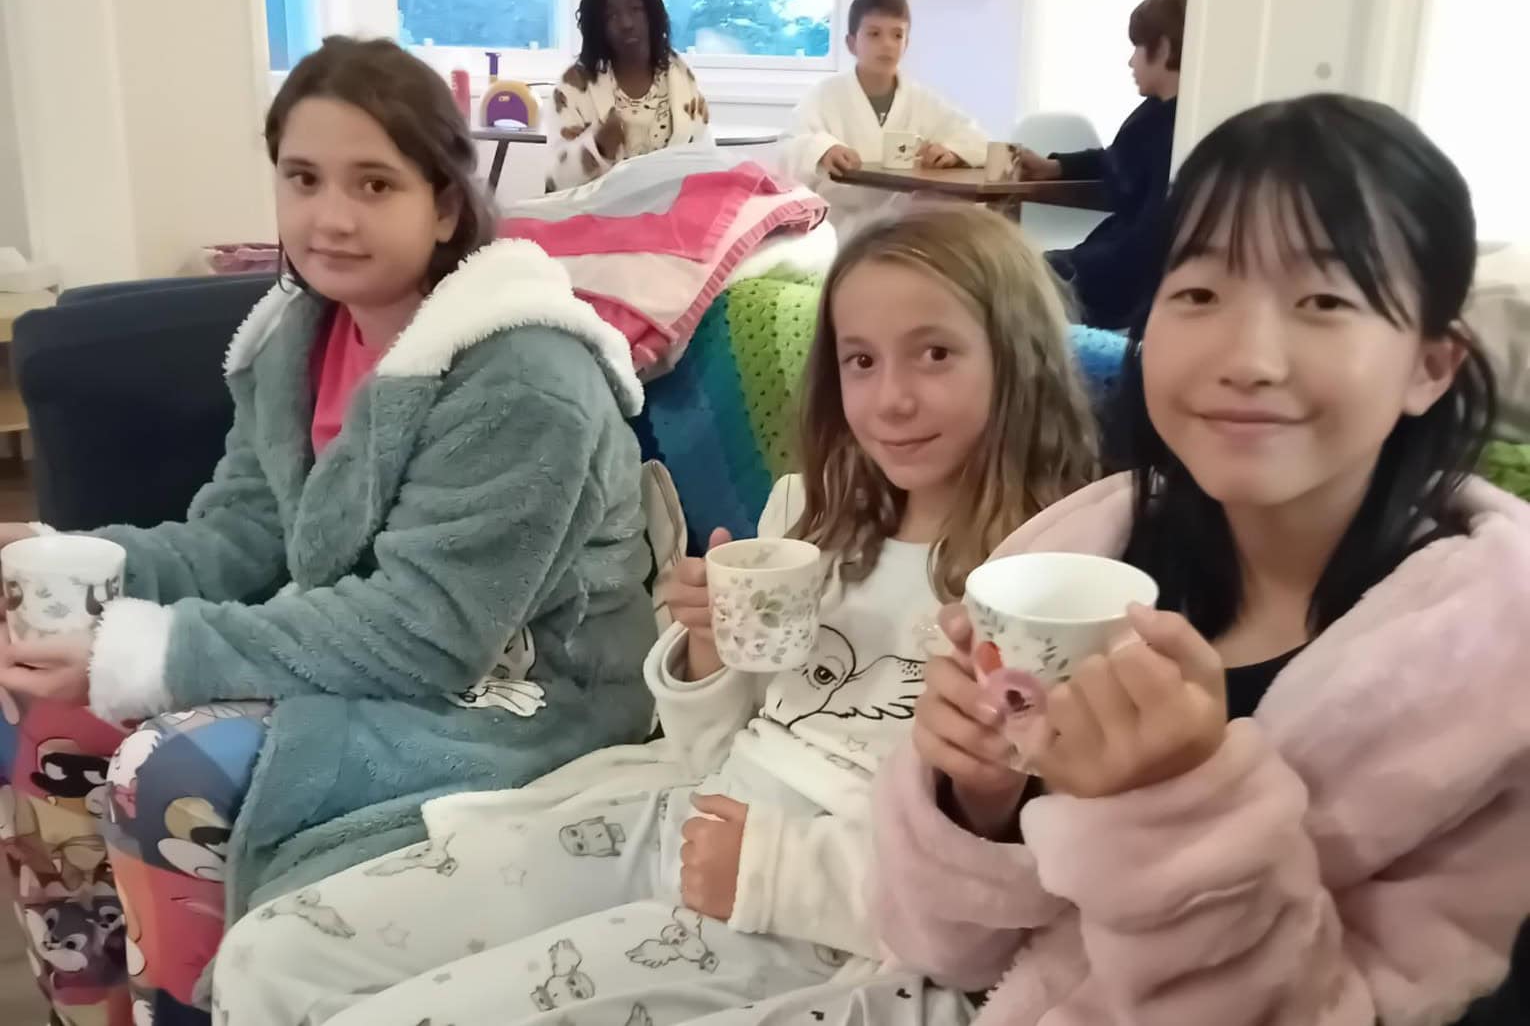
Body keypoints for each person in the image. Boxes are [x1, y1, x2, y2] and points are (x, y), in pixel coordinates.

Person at [209, 203, 1100, 1026]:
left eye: (935, 354)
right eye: (861, 360)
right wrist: (710, 658)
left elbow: (1024, 876)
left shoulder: (1057, 593)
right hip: (681, 817)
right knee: (270, 957)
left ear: (1015, 360)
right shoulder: (811, 519)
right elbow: (711, 748)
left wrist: (768, 871)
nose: (891, 399)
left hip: (816, 911)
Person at [0, 36, 656, 1025]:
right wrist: (84, 569)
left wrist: (157, 649)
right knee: (34, 708)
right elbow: (240, 536)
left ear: (443, 204)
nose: (330, 217)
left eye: (374, 183)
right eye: (302, 178)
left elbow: (426, 630)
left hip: (523, 696)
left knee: (167, 768)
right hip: (357, 646)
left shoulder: (527, 377)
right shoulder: (293, 339)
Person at [872, 94, 1530, 1025]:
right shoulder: (1081, 555)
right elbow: (939, 945)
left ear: (1431, 365)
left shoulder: (1495, 682)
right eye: (1200, 292)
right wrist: (974, 801)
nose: (1248, 357)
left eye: (1324, 301)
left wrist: (1169, 811)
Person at [1025, 0, 1186, 329]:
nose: (1131, 61)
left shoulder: (1176, 128)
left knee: (1012, 277)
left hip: (1128, 276)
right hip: (1116, 256)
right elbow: (1116, 158)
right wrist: (1056, 167)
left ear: (1163, 47)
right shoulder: (1156, 113)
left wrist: (1076, 266)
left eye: (1138, 47)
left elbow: (1148, 237)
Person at [781, 0, 989, 225]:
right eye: (874, 34)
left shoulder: (922, 100)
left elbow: (977, 139)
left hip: (903, 225)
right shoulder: (824, 95)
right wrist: (823, 150)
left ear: (906, 44)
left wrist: (952, 152)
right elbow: (789, 147)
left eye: (897, 35)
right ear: (851, 43)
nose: (888, 44)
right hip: (838, 223)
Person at [547, 0, 712, 191]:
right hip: (598, 218)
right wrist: (597, 147)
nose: (626, 23)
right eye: (611, 15)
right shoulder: (574, 86)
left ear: (652, 14)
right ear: (597, 26)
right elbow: (555, 180)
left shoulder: (681, 76)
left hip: (672, 214)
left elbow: (707, 159)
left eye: (636, 9)